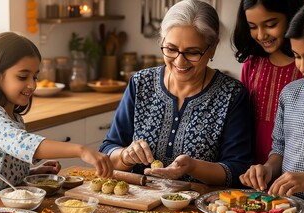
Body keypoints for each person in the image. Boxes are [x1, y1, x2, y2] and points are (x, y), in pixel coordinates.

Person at [99, 0, 253, 187]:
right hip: (138, 206)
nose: (180, 61)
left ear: (212, 47)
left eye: (192, 52)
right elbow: (108, 150)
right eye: (171, 49)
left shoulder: (232, 94)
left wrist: (192, 167)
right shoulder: (141, 83)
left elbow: (237, 170)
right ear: (162, 42)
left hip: (201, 210)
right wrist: (125, 156)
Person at [0, 32, 113, 204]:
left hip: (1, 211)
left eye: (35, 76)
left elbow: (1, 173)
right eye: (23, 77)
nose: (32, 84)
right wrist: (81, 150)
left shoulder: (15, 118)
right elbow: (23, 144)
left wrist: (32, 172)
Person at [240, 0, 304, 203]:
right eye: (297, 56)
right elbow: (280, 149)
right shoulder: (290, 93)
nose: (303, 67)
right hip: (286, 209)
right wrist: (267, 168)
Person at [232, 0, 304, 165]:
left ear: (292, 17)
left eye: (270, 25)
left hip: (294, 167)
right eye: (252, 27)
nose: (261, 35)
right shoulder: (252, 64)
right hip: (251, 167)